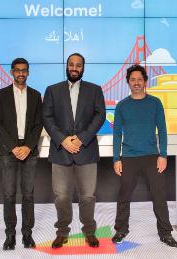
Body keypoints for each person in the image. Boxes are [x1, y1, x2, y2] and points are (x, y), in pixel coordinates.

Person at [111, 64, 177, 248]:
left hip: (152, 156)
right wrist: (116, 159)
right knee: (124, 196)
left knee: (159, 195)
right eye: (132, 80)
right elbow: (117, 134)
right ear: (128, 82)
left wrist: (163, 155)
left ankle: (165, 233)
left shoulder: (155, 103)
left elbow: (163, 131)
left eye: (139, 79)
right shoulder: (121, 106)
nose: (136, 83)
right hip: (129, 157)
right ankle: (121, 230)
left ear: (145, 81)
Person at [42, 53, 106, 248]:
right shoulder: (52, 90)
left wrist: (81, 138)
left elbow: (100, 115)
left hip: (86, 150)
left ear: (83, 68)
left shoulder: (95, 90)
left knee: (88, 196)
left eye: (78, 65)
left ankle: (89, 232)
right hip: (61, 152)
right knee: (61, 197)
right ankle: (62, 232)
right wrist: (63, 140)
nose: (74, 68)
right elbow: (47, 117)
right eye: (71, 64)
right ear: (67, 66)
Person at [0, 58, 43, 250]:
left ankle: (27, 235)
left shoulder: (36, 95)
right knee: (9, 194)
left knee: (28, 194)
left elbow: (39, 124)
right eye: (17, 70)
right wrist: (14, 147)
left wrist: (28, 147)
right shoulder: (2, 94)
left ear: (28, 72)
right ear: (12, 72)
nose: (21, 73)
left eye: (24, 71)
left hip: (29, 150)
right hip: (8, 150)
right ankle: (10, 235)